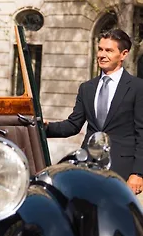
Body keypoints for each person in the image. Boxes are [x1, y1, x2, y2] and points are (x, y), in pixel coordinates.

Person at [45, 28, 143, 194]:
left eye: (109, 50)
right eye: (100, 49)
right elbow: (72, 125)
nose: (102, 55)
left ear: (123, 54)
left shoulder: (137, 87)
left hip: (122, 171)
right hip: (87, 167)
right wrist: (43, 128)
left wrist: (138, 173)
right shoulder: (86, 88)